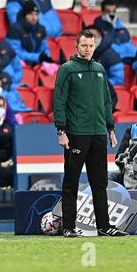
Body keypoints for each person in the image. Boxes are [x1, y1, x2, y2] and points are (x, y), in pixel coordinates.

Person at [53, 29, 129, 237]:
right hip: (76, 133)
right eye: (84, 45)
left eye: (91, 45)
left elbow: (105, 101)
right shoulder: (67, 69)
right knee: (72, 182)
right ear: (76, 46)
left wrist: (110, 127)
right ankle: (69, 227)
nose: (87, 49)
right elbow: (59, 101)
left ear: (94, 47)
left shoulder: (99, 69)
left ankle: (104, 227)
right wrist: (61, 130)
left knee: (100, 183)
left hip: (98, 134)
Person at [6, 0, 53, 66]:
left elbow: (44, 48)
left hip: (35, 62)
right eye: (30, 14)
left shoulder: (41, 29)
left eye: (36, 14)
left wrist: (46, 57)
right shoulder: (15, 29)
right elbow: (16, 52)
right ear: (24, 15)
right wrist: (37, 57)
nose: (34, 18)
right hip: (20, 62)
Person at [94, 0, 137, 64]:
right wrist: (111, 27)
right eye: (108, 11)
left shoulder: (117, 22)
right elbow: (104, 43)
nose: (111, 14)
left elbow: (126, 36)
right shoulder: (98, 25)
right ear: (102, 12)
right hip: (115, 56)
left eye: (113, 11)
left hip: (129, 54)